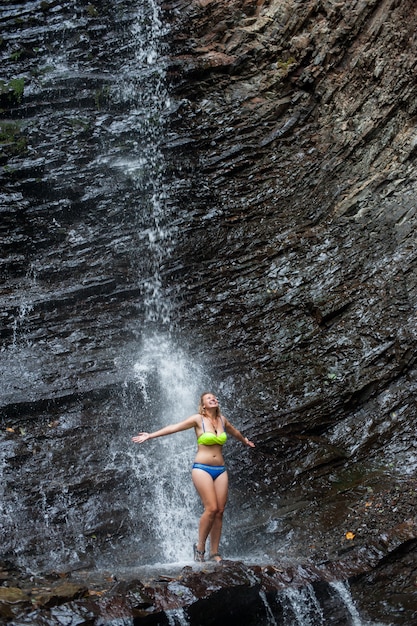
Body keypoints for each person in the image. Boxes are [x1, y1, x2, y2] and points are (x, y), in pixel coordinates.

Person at [132, 392, 255, 563]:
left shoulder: (222, 420)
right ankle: (200, 549)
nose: (214, 399)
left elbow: (235, 432)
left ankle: (215, 553)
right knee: (211, 508)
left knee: (220, 511)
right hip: (202, 468)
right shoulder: (198, 419)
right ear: (203, 405)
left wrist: (245, 441)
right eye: (209, 398)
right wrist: (150, 435)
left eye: (215, 397)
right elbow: (174, 427)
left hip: (220, 469)